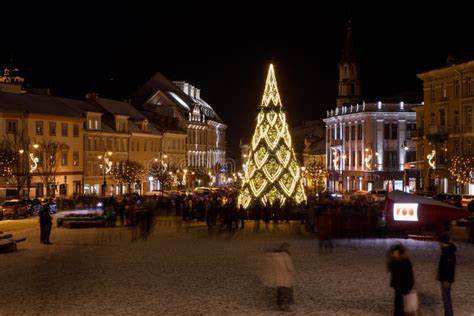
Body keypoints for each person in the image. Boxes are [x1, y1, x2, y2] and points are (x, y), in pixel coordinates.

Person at [387, 244, 415, 316]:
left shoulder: (405, 261)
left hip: (404, 286)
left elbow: (410, 274)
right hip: (397, 286)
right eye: (394, 253)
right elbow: (391, 269)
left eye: (396, 253)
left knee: (403, 304)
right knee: (398, 303)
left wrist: (410, 285)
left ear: (400, 253)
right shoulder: (394, 261)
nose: (395, 254)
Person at [438, 234, 456, 316]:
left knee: (446, 299)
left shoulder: (447, 252)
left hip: (446, 280)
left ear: (442, 242)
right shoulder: (447, 251)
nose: (439, 244)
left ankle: (449, 314)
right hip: (445, 279)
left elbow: (448, 268)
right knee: (446, 298)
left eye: (440, 242)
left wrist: (446, 280)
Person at [273, 242, 295, 312]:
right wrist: (293, 273)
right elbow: (290, 267)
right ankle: (287, 306)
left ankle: (280, 305)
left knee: (280, 291)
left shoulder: (276, 256)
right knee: (287, 292)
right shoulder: (286, 256)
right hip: (286, 276)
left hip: (278, 276)